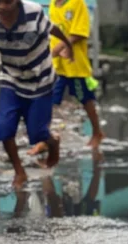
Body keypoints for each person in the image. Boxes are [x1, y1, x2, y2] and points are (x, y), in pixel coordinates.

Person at [0, 0, 75, 188]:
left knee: (37, 134)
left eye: (8, 2)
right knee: (4, 129)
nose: (3, 7)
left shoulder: (33, 12)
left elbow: (53, 29)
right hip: (11, 78)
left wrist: (68, 45)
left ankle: (52, 142)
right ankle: (19, 172)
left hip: (40, 79)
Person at [30, 0, 104, 158]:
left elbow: (79, 32)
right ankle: (45, 139)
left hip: (74, 65)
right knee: (48, 100)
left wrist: (59, 48)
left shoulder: (77, 4)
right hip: (57, 66)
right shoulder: (52, 5)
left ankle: (97, 132)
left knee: (85, 99)